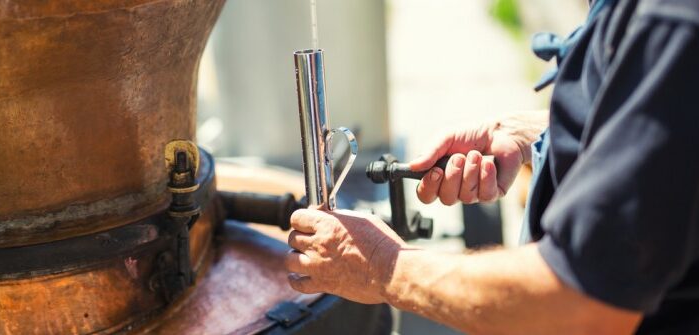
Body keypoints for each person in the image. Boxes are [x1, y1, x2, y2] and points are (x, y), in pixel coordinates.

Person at [284, 0, 699, 333]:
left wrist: (382, 267)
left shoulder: (667, 19)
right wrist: (532, 131)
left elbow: (581, 306)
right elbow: (671, 122)